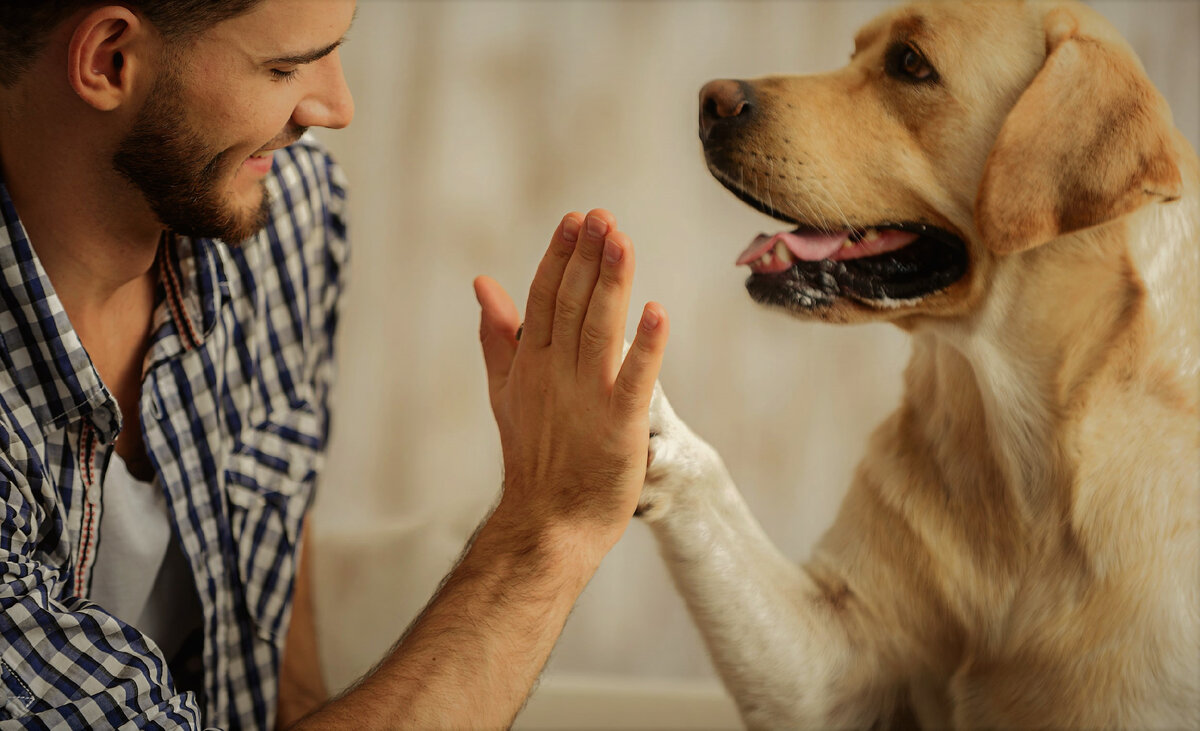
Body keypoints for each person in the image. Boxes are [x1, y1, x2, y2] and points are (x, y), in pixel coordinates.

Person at [0, 0, 669, 728]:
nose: (337, 107)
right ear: (108, 60)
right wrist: (550, 529)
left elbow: (274, 588)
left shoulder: (285, 210)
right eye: (285, 66)